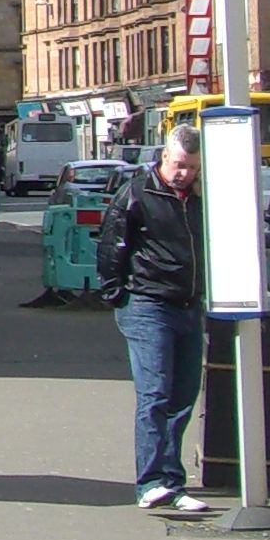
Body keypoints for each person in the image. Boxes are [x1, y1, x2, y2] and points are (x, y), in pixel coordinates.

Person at [94, 128, 214, 516]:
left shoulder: (200, 198)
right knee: (156, 394)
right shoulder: (138, 193)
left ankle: (171, 482)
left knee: (182, 397)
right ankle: (151, 482)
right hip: (147, 304)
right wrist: (116, 294)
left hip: (188, 305)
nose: (184, 174)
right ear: (164, 157)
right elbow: (112, 243)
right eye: (179, 165)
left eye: (192, 167)